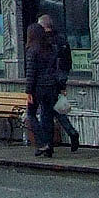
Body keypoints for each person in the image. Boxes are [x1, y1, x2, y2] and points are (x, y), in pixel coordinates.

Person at [37, 13, 82, 152]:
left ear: (43, 26)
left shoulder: (43, 42)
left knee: (46, 112)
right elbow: (68, 61)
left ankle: (48, 144)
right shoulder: (62, 40)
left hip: (47, 80)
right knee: (55, 109)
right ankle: (71, 132)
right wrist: (63, 80)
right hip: (60, 78)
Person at [23, 24, 65, 158]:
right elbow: (56, 68)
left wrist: (28, 91)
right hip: (51, 86)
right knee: (47, 115)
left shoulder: (32, 50)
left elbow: (31, 72)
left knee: (31, 114)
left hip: (37, 87)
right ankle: (49, 146)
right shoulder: (51, 48)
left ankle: (42, 143)